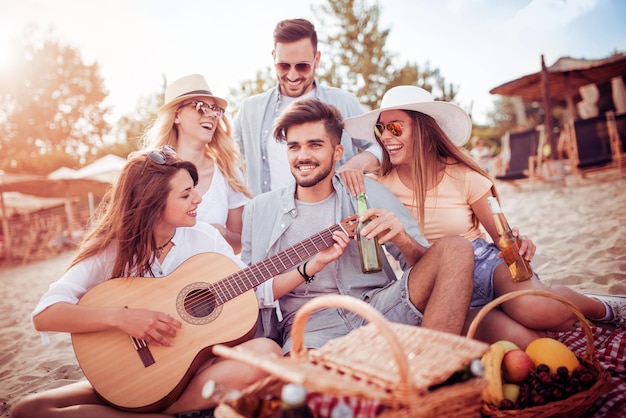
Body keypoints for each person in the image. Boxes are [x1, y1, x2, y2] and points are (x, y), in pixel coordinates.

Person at [343, 85, 626, 348]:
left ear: (424, 130)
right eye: (381, 129)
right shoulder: (378, 186)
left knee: (541, 311)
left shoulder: (465, 176)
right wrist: (359, 161)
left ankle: (600, 306)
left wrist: (518, 240)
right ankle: (531, 306)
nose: (386, 137)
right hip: (436, 281)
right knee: (530, 343)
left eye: (395, 127)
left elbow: (501, 236)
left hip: (486, 263)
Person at [10, 147, 282, 418]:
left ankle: (162, 411)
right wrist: (122, 319)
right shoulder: (110, 249)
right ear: (152, 203)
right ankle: (150, 406)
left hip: (197, 371)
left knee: (267, 353)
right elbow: (45, 316)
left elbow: (253, 286)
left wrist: (309, 267)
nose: (198, 199)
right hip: (141, 371)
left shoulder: (205, 237)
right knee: (28, 410)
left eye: (194, 189)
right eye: (186, 194)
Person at [241, 98, 475, 354]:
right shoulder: (259, 210)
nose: (303, 156)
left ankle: (433, 367)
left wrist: (401, 238)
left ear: (338, 152)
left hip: (378, 307)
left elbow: (423, 265)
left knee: (456, 248)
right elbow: (248, 295)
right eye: (294, 147)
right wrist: (311, 266)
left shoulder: (367, 192)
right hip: (310, 326)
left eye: (315, 145)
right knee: (309, 381)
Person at [233, 18, 382, 196]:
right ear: (273, 58)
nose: (293, 75)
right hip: (269, 220)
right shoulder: (250, 110)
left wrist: (358, 163)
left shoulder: (344, 102)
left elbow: (381, 145)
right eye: (284, 66)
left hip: (334, 218)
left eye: (302, 66)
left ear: (316, 59)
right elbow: (228, 161)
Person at [142, 74, 251, 254]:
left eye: (215, 109)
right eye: (200, 107)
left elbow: (240, 243)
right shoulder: (151, 171)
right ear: (177, 115)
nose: (211, 115)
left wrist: (220, 233)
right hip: (163, 278)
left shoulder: (228, 172)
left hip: (212, 279)